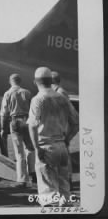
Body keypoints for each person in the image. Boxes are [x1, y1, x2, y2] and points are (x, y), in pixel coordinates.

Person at [27, 67, 79, 206]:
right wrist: (67, 139)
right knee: (64, 192)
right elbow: (76, 123)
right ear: (51, 80)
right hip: (61, 146)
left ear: (35, 82)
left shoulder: (37, 100)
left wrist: (37, 148)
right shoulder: (62, 98)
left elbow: (32, 125)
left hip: (45, 147)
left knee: (49, 196)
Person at [0, 73, 35, 187]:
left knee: (19, 151)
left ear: (10, 81)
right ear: (20, 81)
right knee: (30, 147)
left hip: (14, 121)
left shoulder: (7, 94)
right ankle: (33, 172)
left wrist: (2, 128)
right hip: (27, 120)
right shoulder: (27, 92)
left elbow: (4, 113)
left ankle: (22, 179)